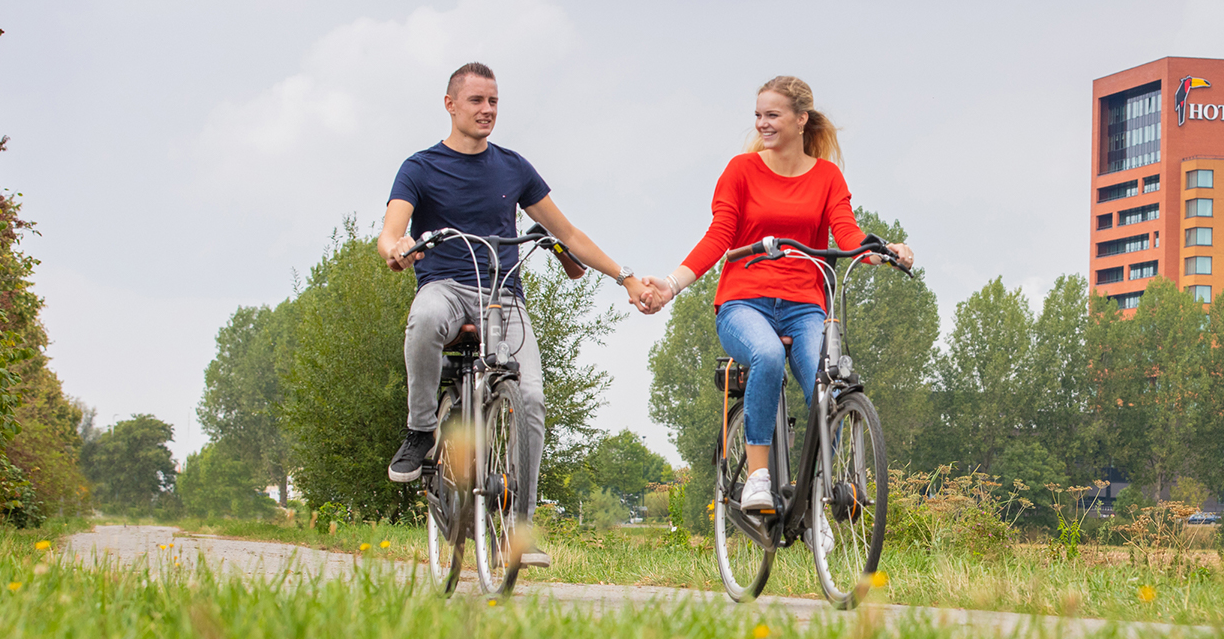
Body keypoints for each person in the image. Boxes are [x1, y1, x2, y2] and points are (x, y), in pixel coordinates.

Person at [379, 62, 649, 565]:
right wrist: (397, 248)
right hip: (445, 287)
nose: (487, 110)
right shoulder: (420, 167)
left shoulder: (513, 168)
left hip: (502, 296)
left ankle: (517, 532)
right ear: (450, 105)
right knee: (423, 321)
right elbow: (392, 231)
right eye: (477, 101)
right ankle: (420, 430)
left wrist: (625, 277)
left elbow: (569, 235)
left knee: (529, 399)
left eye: (494, 102)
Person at [638, 75, 913, 515]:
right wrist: (671, 285)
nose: (762, 124)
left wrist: (882, 251)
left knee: (828, 382)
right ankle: (758, 478)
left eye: (772, 115)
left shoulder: (827, 177)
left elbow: (847, 234)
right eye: (758, 115)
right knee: (766, 355)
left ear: (801, 119)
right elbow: (718, 237)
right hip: (744, 303)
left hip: (805, 306)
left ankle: (819, 493)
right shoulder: (741, 171)